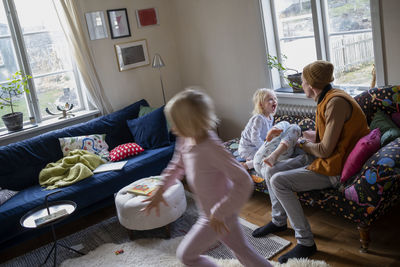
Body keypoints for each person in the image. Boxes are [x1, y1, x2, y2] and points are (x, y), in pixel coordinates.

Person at [252, 60, 370, 263]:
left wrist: (300, 142)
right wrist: (307, 136)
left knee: (279, 180)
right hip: (326, 157)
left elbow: (325, 150)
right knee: (270, 170)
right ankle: (279, 221)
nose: (301, 85)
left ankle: (306, 242)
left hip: (334, 167)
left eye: (303, 81)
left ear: (312, 84)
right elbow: (328, 139)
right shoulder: (326, 99)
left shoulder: (335, 103)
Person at [142, 89, 272, 267]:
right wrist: (161, 190)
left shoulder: (211, 147)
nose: (173, 129)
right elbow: (177, 165)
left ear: (190, 123)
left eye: (176, 123)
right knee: (243, 252)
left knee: (186, 255)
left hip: (217, 215)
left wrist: (219, 212)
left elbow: (244, 181)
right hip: (211, 213)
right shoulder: (185, 139)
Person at [238, 88, 277, 170]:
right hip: (247, 148)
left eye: (275, 99)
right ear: (261, 105)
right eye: (270, 99)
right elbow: (254, 138)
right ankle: (246, 165)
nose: (274, 101)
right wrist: (264, 149)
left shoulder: (271, 117)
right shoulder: (258, 118)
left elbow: (267, 134)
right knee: (264, 159)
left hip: (256, 146)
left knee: (273, 154)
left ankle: (251, 159)